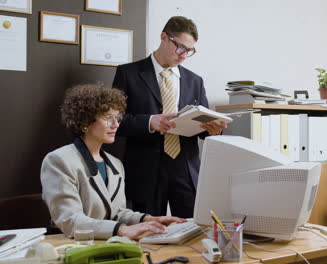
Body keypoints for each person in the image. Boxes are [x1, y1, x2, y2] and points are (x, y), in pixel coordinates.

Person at [112, 16, 226, 217]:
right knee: (148, 232)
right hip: (145, 168)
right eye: (180, 47)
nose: (183, 56)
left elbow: (203, 126)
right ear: (164, 37)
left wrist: (213, 131)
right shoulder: (128, 73)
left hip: (186, 168)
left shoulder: (194, 81)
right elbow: (115, 121)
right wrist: (150, 122)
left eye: (189, 51)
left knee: (194, 231)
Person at [41, 84, 185, 240]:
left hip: (107, 243)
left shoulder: (115, 163)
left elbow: (118, 213)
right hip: (73, 245)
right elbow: (70, 220)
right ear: (85, 121)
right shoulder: (58, 160)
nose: (116, 124)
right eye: (108, 118)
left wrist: (148, 219)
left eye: (117, 118)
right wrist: (122, 230)